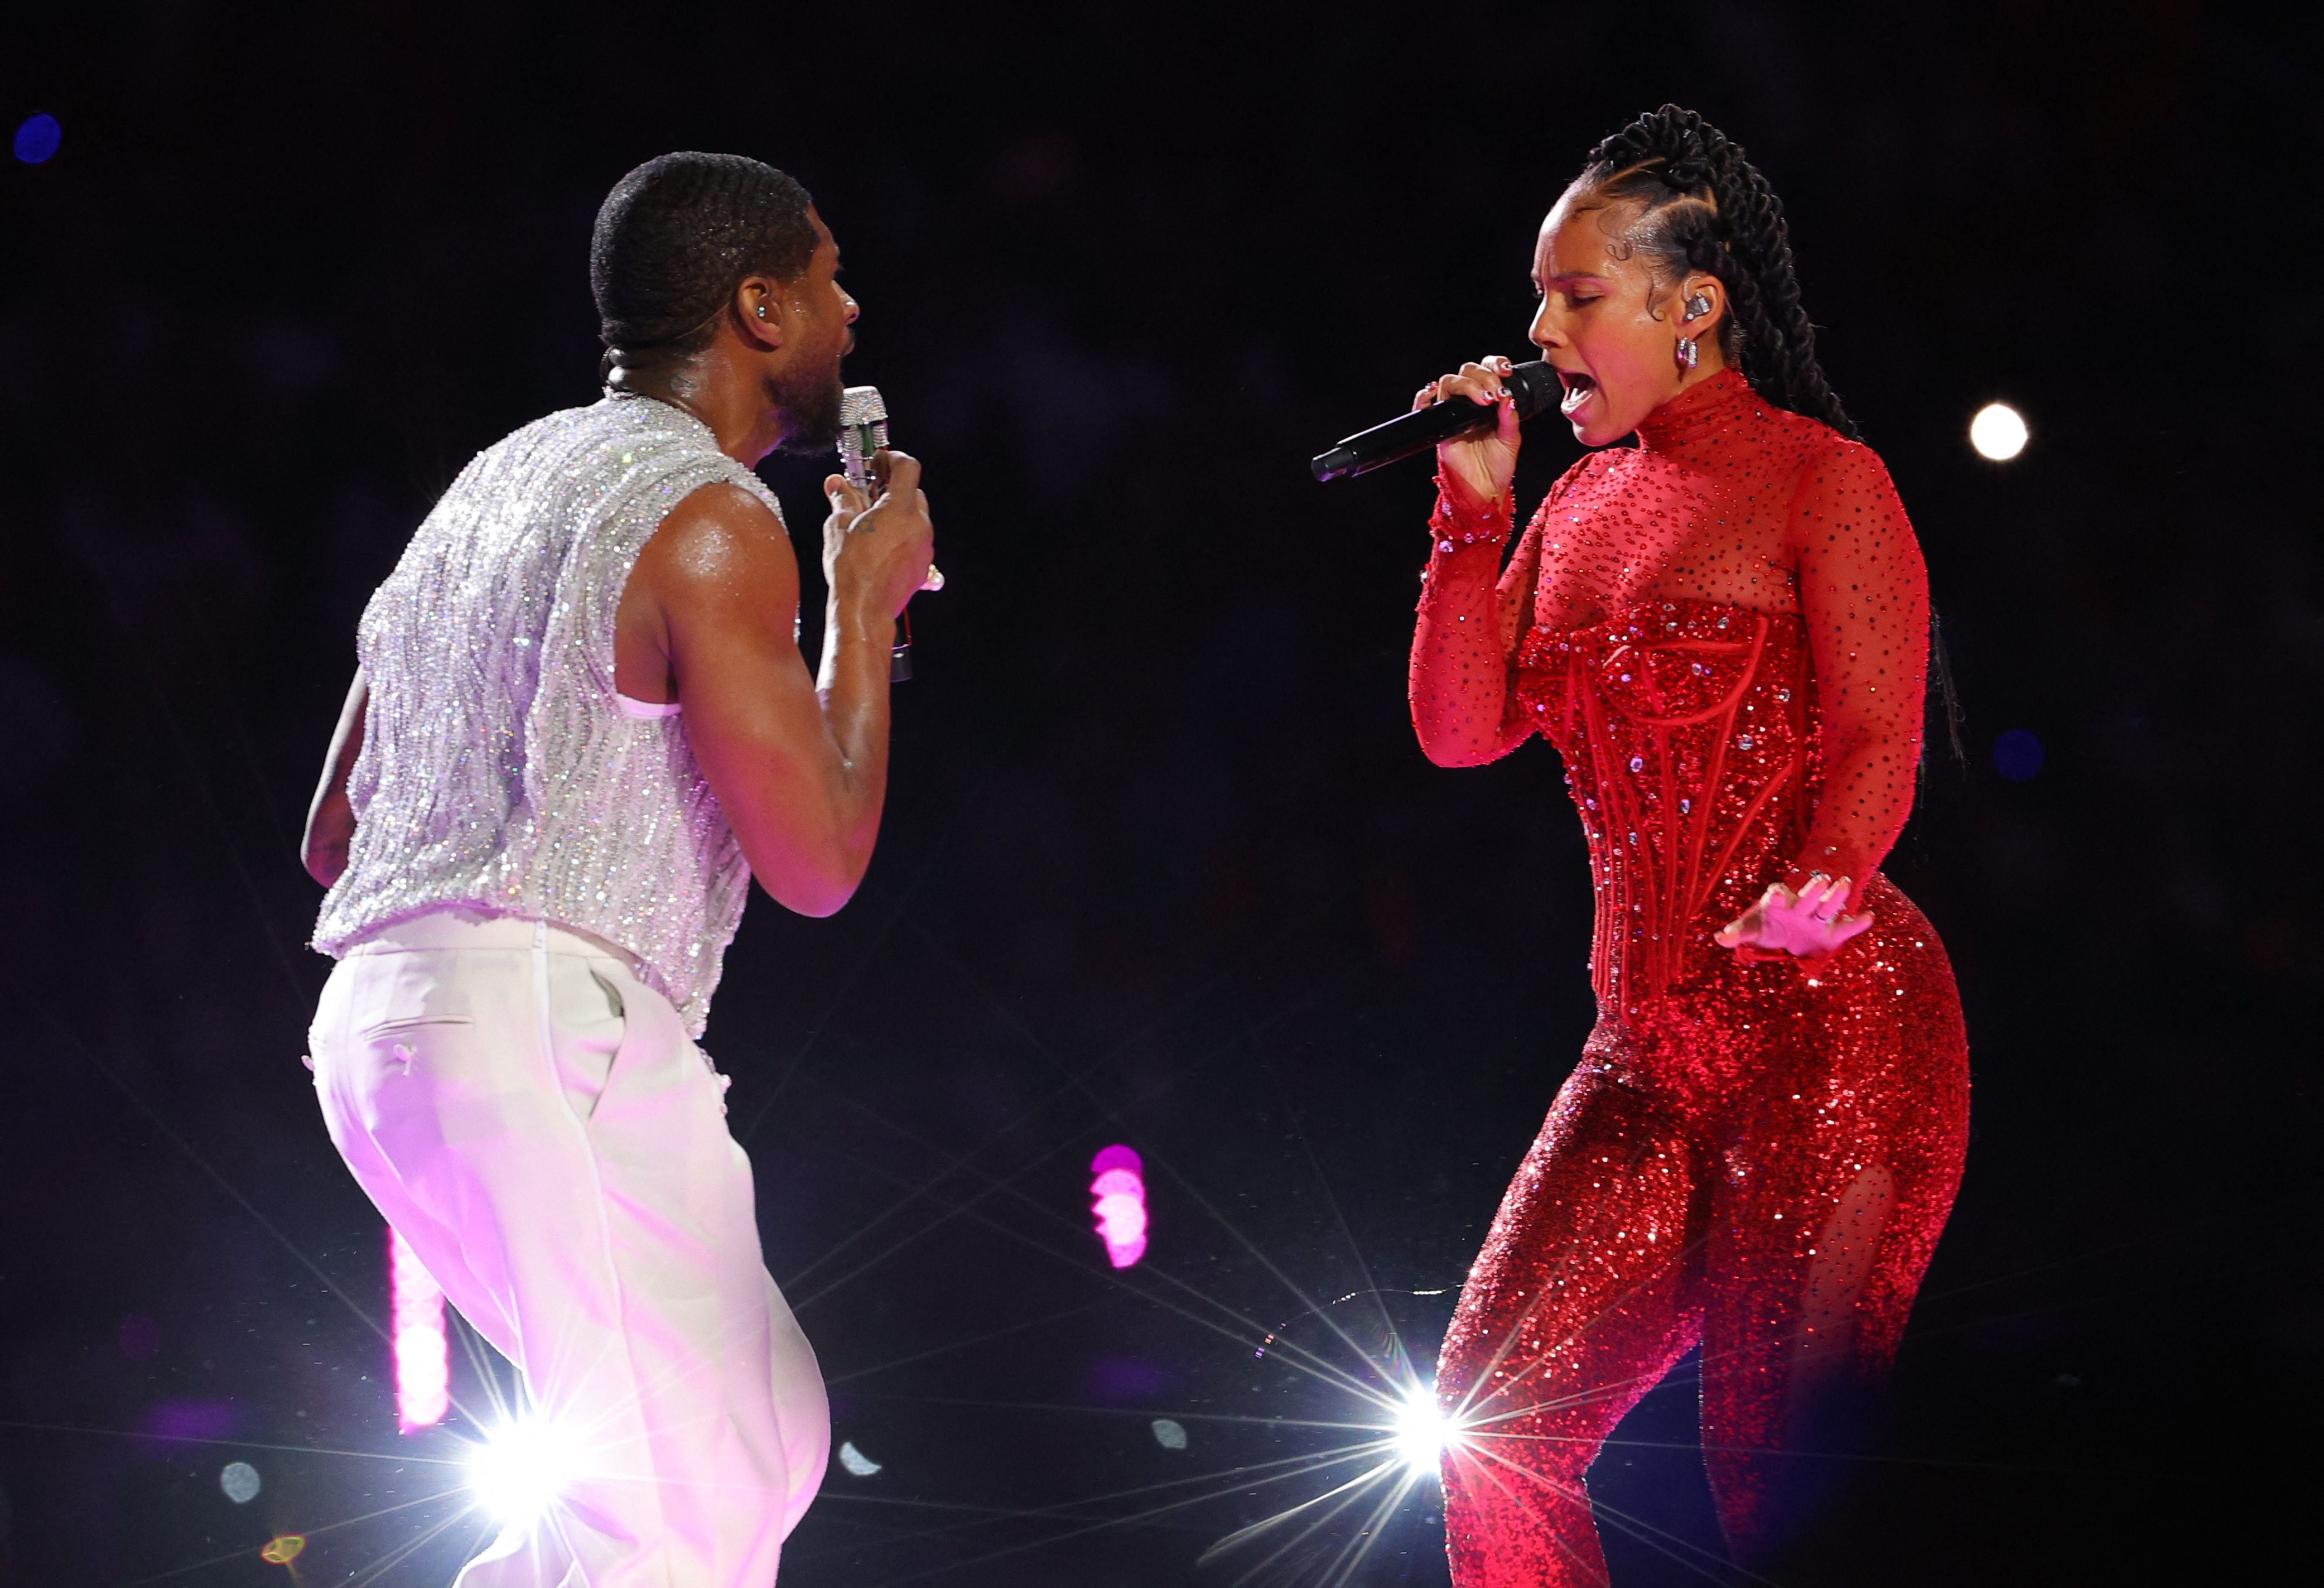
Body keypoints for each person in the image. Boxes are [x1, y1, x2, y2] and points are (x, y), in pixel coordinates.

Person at [298, 151, 936, 1586]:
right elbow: (820, 861)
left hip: (386, 1038)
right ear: (758, 307)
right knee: (672, 1507)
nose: (853, 304)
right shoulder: (715, 516)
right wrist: (862, 600)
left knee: (753, 1439)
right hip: (537, 1024)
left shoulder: (489, 483)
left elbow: (335, 830)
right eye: (829, 277)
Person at [1407, 106, 1970, 1581]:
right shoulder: (1578, 506)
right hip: (1646, 1046)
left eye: (1574, 295)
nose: (1536, 328)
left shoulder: (1819, 481)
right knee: (1487, 1425)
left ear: (1690, 304)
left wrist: (1816, 894)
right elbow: (1459, 729)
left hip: (1828, 1023)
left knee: (1768, 1477)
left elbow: (1871, 745)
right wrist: (1471, 523)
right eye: (1538, 293)